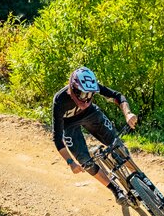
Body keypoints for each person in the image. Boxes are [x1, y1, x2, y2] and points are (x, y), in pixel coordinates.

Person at [52, 66, 140, 205]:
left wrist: (127, 113)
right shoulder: (60, 100)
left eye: (90, 94)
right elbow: (57, 139)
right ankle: (115, 190)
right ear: (74, 89)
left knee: (117, 145)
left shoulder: (90, 86)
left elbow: (117, 96)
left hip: (91, 114)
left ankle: (139, 177)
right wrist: (71, 162)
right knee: (85, 161)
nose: (87, 99)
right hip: (69, 124)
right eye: (84, 94)